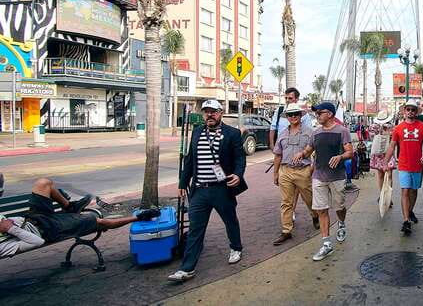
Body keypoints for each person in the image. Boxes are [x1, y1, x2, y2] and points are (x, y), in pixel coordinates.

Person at [169, 99, 248, 282]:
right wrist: (182, 183)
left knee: (230, 221)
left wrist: (238, 174)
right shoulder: (197, 132)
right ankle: (187, 268)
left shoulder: (232, 133)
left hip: (222, 189)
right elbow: (189, 161)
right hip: (200, 190)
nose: (209, 115)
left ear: (220, 113)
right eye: (206, 112)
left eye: (213, 111)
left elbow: (239, 158)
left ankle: (236, 247)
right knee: (196, 229)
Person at [0, 178, 160, 259]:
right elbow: (37, 242)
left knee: (43, 183)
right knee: (97, 221)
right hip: (48, 229)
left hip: (33, 216)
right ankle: (138, 218)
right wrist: (10, 229)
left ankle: (70, 207)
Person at [294, 101, 353, 261]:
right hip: (319, 176)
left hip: (337, 176)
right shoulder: (316, 133)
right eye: (316, 113)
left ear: (330, 114)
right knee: (321, 209)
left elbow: (350, 152)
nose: (317, 115)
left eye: (320, 113)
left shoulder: (343, 131)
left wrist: (340, 156)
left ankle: (341, 223)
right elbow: (309, 149)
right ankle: (326, 244)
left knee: (339, 206)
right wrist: (302, 154)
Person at [382, 99, 423, 235]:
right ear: (404, 111)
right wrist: (385, 162)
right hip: (403, 165)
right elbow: (392, 146)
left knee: (414, 191)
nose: (410, 112)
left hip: (418, 165)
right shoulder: (398, 128)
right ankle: (406, 221)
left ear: (416, 112)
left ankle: (410, 211)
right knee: (405, 191)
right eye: (408, 109)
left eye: (413, 110)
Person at [272, 103, 318, 246]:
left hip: (303, 171)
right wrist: (275, 173)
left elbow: (317, 152)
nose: (293, 117)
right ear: (286, 117)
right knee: (286, 202)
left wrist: (312, 168)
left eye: (295, 114)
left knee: (309, 198)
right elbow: (278, 155)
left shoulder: (310, 132)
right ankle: (286, 231)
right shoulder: (282, 134)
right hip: (285, 171)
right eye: (290, 115)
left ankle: (316, 216)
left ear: (300, 115)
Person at [369, 114, 396, 201]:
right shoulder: (375, 127)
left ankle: (387, 196)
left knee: (385, 175)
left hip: (385, 153)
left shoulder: (390, 127)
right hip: (381, 153)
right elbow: (371, 136)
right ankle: (383, 195)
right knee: (386, 175)